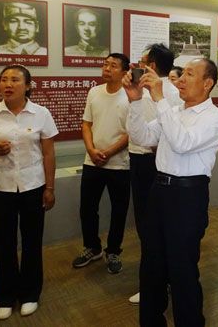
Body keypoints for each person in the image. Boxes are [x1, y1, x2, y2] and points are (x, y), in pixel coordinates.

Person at [123, 57, 218, 327]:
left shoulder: (214, 117)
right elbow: (142, 137)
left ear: (207, 83)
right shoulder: (174, 111)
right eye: (181, 74)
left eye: (189, 74)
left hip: (188, 196)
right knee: (152, 264)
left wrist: (159, 99)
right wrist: (135, 101)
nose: (180, 80)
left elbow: (182, 142)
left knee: (182, 268)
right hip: (159, 191)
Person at [0, 65, 58, 320]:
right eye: (4, 79)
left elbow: (48, 153)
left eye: (15, 80)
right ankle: (5, 297)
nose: (8, 84)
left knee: (32, 242)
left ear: (28, 86)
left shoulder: (41, 113)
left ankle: (30, 294)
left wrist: (50, 188)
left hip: (33, 186)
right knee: (4, 242)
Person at [127, 44, 183, 305]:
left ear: (152, 66)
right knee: (148, 226)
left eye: (142, 62)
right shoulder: (142, 90)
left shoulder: (169, 94)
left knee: (153, 227)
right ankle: (157, 281)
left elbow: (171, 134)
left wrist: (157, 146)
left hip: (156, 163)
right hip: (140, 159)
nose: (137, 66)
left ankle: (158, 284)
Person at [71, 53, 131, 274]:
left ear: (124, 71)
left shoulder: (131, 95)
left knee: (119, 210)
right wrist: (91, 150)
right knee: (87, 208)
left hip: (120, 165)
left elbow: (131, 132)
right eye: (105, 64)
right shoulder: (94, 92)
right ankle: (92, 247)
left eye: (113, 66)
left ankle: (113, 251)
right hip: (92, 162)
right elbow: (86, 124)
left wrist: (108, 151)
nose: (107, 68)